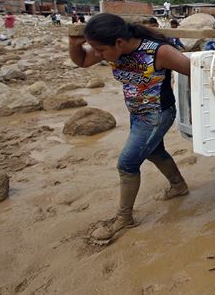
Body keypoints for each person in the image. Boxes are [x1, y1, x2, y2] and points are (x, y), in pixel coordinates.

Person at [68, 13, 191, 244]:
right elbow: (82, 61)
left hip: (156, 115)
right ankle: (178, 186)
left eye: (101, 51)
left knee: (127, 163)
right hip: (136, 113)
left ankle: (124, 217)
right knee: (153, 151)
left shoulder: (159, 52)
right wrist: (73, 45)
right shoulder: (110, 48)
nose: (98, 55)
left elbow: (196, 70)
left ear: (119, 42)